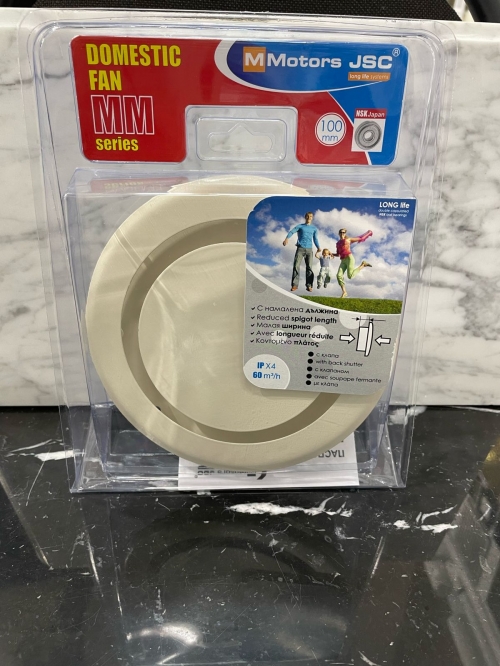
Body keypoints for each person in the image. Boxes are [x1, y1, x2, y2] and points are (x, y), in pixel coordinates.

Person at [283, 212, 321, 292]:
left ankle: (309, 285)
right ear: (305, 217)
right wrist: (287, 238)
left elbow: (315, 239)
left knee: (309, 268)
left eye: (311, 216)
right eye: (308, 216)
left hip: (309, 249)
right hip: (300, 248)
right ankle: (294, 285)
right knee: (296, 266)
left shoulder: (314, 228)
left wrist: (318, 247)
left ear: (312, 218)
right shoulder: (300, 226)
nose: (309, 217)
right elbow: (292, 231)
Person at [336, 228, 372, 298]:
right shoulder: (337, 244)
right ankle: (344, 292)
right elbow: (338, 254)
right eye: (341, 232)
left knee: (350, 276)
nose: (342, 233)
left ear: (345, 233)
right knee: (338, 275)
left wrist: (368, 233)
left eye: (343, 232)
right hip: (343, 260)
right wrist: (330, 254)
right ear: (339, 233)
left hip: (349, 258)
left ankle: (363, 265)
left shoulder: (348, 240)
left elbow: (360, 238)